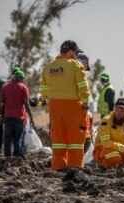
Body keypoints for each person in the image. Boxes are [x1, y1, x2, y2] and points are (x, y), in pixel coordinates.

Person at [41, 40, 90, 171]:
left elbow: (44, 91)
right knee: (76, 138)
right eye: (75, 52)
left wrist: (48, 98)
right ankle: (74, 167)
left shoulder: (49, 67)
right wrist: (85, 104)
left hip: (54, 106)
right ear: (70, 52)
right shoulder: (75, 65)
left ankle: (58, 166)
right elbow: (83, 87)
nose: (76, 55)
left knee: (58, 137)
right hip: (72, 106)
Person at [0, 70, 35, 159]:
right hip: (19, 117)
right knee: (18, 139)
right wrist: (31, 118)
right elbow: (26, 104)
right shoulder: (23, 87)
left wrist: (0, 115)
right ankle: (17, 158)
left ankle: (7, 158)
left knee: (7, 139)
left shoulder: (5, 87)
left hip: (7, 117)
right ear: (22, 79)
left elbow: (0, 102)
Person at [93, 98, 124, 169]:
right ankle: (102, 168)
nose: (118, 113)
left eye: (122, 111)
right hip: (102, 150)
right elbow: (106, 143)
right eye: (117, 109)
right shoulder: (106, 120)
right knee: (114, 157)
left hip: (119, 150)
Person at [77, 53, 93, 153]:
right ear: (84, 62)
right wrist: (85, 107)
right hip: (79, 109)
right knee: (85, 138)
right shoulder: (79, 73)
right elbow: (84, 93)